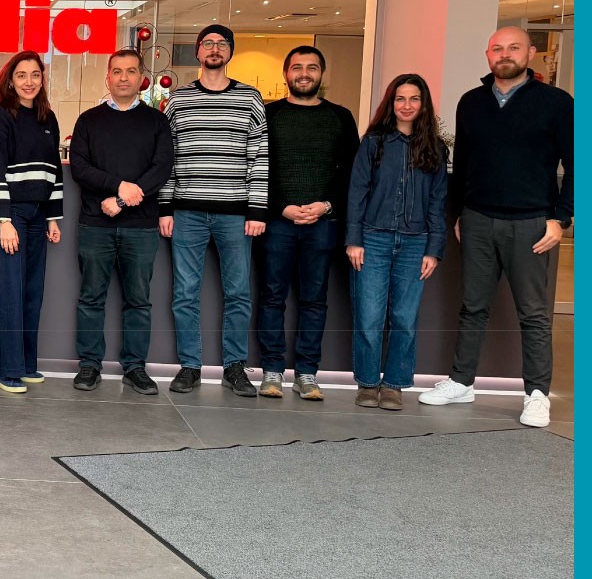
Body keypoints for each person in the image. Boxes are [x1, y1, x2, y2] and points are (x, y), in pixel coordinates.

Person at [420, 26, 574, 428]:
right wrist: (461, 213)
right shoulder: (471, 102)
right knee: (473, 307)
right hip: (478, 220)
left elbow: (577, 163)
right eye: (497, 49)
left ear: (531, 53)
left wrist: (561, 218)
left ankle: (537, 394)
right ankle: (461, 381)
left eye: (513, 48)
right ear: (488, 55)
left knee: (534, 314)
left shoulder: (557, 102)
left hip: (531, 223)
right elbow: (464, 163)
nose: (504, 54)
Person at [160, 24, 268, 397]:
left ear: (230, 51)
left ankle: (234, 367)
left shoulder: (250, 98)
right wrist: (165, 207)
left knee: (238, 292)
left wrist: (257, 210)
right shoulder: (178, 100)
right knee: (184, 293)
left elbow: (259, 157)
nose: (214, 49)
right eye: (208, 43)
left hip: (236, 213)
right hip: (186, 211)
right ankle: (190, 366)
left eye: (222, 44)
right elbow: (168, 158)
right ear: (198, 51)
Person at [255, 47, 360, 400]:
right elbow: (257, 166)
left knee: (315, 300)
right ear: (286, 74)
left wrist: (326, 204)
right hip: (278, 222)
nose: (304, 73)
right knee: (272, 297)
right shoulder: (268, 114)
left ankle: (307, 373)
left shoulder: (340, 117)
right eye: (297, 67)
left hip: (322, 223)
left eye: (312, 67)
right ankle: (272, 370)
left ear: (321, 73)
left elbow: (352, 172)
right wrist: (281, 206)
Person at [69, 48, 173, 394]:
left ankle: (135, 367)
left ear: (142, 78)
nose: (124, 77)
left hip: (140, 227)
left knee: (138, 301)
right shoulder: (88, 120)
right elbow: (80, 167)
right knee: (91, 299)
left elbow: (162, 168)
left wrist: (122, 200)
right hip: (95, 225)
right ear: (108, 77)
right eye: (117, 71)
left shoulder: (157, 121)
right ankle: (89, 365)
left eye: (130, 71)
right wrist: (118, 187)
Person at [346, 74, 448, 411]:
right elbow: (357, 192)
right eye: (400, 98)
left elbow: (438, 202)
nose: (407, 105)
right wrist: (354, 240)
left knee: (404, 318)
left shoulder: (435, 148)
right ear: (391, 103)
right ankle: (367, 383)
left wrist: (434, 249)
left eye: (414, 99)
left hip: (416, 243)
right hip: (372, 239)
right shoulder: (374, 142)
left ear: (423, 104)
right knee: (369, 317)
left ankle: (394, 385)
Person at [0, 51, 64, 394]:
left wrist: (53, 217)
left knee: (32, 293)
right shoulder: (2, 118)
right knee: (9, 293)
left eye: (35, 75)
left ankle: (27, 364)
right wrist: (3, 220)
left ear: (42, 79)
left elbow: (55, 171)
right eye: (21, 75)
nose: (29, 82)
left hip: (38, 214)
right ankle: (4, 369)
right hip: (12, 214)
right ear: (10, 81)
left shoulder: (48, 118)